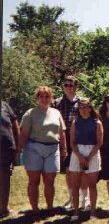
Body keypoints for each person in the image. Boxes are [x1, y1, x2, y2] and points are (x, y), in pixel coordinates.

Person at [18, 86, 67, 214]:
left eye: (47, 96)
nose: (44, 99)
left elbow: (61, 133)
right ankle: (35, 209)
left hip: (53, 149)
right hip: (34, 148)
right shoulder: (30, 113)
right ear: (37, 98)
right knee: (34, 181)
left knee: (50, 181)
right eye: (41, 96)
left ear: (51, 98)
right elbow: (23, 134)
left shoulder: (56, 113)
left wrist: (64, 149)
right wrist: (18, 150)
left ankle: (49, 208)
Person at [52, 75, 85, 210]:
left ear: (76, 86)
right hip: (63, 139)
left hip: (80, 139)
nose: (68, 88)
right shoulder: (56, 103)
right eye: (66, 85)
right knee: (68, 170)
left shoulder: (82, 102)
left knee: (82, 169)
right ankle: (72, 198)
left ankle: (85, 199)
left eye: (71, 85)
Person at [68, 98, 103, 221]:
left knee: (92, 185)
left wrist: (88, 157)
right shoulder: (75, 122)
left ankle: (93, 212)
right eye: (80, 107)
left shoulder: (97, 122)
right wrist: (79, 156)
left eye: (85, 107)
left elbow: (99, 142)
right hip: (77, 152)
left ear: (90, 108)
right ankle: (76, 212)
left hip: (92, 152)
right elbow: (72, 142)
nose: (83, 110)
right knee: (75, 185)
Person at [0, 100, 20, 218]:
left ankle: (3, 208)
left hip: (6, 149)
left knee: (5, 180)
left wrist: (17, 146)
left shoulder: (5, 105)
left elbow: (15, 124)